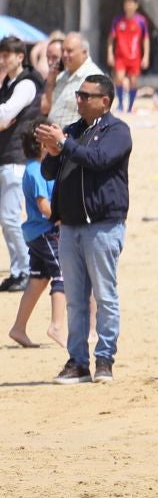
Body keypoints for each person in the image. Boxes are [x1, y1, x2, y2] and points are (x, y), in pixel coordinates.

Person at [36, 73, 130, 384]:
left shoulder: (118, 130)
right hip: (70, 227)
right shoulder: (73, 131)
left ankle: (105, 359)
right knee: (75, 299)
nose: (79, 100)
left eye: (85, 96)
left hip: (102, 226)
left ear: (104, 101)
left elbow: (99, 159)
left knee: (104, 296)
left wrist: (63, 144)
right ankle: (77, 361)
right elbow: (50, 172)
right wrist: (52, 150)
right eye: (78, 94)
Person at [7, 123, 63, 347]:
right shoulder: (35, 170)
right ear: (42, 144)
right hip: (44, 232)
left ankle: (18, 328)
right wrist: (62, 218)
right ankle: (56, 326)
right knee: (62, 275)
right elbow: (44, 206)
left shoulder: (34, 167)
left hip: (35, 232)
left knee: (38, 279)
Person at [0, 36, 45, 291]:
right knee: (7, 220)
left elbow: (7, 113)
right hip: (7, 157)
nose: (4, 59)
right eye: (2, 54)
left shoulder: (26, 84)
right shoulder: (9, 83)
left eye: (8, 55)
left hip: (16, 158)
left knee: (11, 218)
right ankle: (19, 270)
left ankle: (26, 270)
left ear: (20, 56)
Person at [47, 33, 106, 128]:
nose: (64, 55)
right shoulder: (63, 75)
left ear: (84, 52)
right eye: (63, 51)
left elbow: (96, 119)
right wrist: (50, 83)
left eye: (69, 51)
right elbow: (49, 106)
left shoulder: (94, 78)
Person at [109, 0, 149, 114]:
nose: (129, 6)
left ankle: (130, 107)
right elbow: (111, 38)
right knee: (119, 79)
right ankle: (121, 104)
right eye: (127, 3)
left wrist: (146, 55)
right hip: (120, 56)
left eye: (131, 4)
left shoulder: (141, 21)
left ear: (136, 5)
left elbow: (145, 39)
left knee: (133, 81)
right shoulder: (118, 20)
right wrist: (110, 53)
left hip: (135, 56)